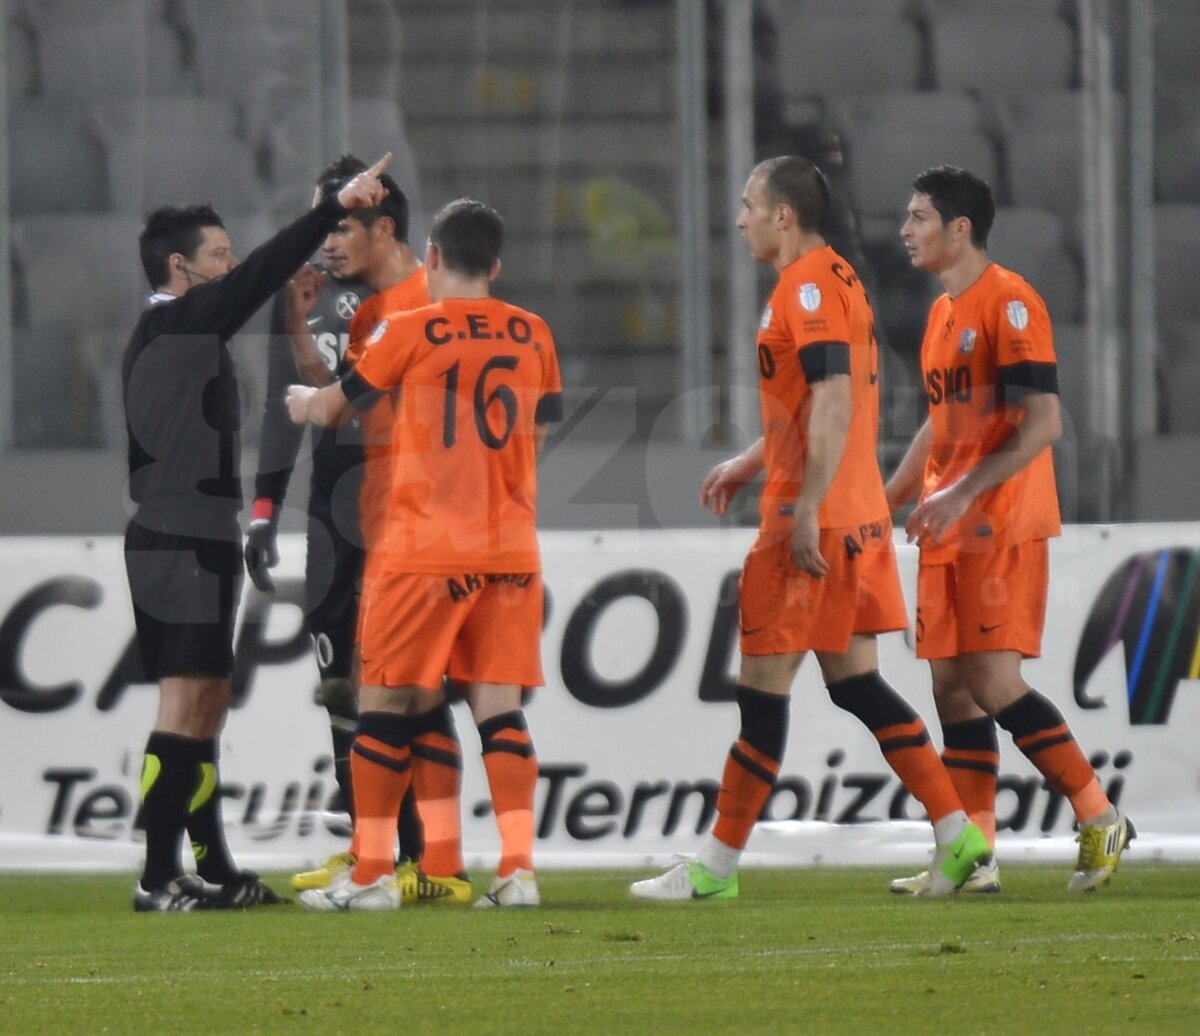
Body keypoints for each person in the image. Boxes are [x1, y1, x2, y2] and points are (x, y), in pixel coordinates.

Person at [630, 156, 989, 903]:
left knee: (760, 696)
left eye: (748, 206)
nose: (740, 221)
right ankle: (959, 837)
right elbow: (815, 403)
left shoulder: (808, 288)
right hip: (854, 519)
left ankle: (714, 870)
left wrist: (803, 508)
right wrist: (751, 460)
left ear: (782, 215)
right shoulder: (836, 278)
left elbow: (833, 403)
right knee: (858, 686)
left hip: (817, 524)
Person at [122, 153, 393, 911]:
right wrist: (328, 209)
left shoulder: (180, 332)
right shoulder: (176, 320)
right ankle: (155, 877)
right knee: (183, 708)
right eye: (218, 255)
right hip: (177, 540)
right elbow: (262, 271)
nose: (231, 264)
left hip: (197, 537)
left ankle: (211, 867)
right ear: (181, 267)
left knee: (205, 707)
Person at [287, 198, 563, 911]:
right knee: (500, 712)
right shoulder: (535, 333)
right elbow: (539, 426)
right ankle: (518, 872)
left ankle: (373, 875)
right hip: (508, 546)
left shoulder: (410, 329)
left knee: (383, 703)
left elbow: (337, 407)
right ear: (495, 266)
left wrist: (300, 400)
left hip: (422, 545)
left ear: (433, 259)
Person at [886, 165, 1134, 895]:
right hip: (948, 520)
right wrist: (895, 490)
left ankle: (1097, 812)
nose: (906, 230)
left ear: (960, 229)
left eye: (919, 217)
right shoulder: (942, 314)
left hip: (998, 520)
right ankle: (974, 855)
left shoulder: (1011, 301)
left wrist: (963, 491)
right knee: (951, 689)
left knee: (994, 682)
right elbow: (944, 419)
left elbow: (1044, 424)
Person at [244, 155, 457, 902]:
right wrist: (266, 508)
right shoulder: (315, 299)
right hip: (335, 517)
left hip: (409, 521)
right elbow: (290, 401)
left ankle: (426, 859)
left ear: (381, 222)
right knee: (344, 685)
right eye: (318, 223)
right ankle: (375, 852)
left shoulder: (425, 299)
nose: (323, 240)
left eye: (336, 223)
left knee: (412, 688)